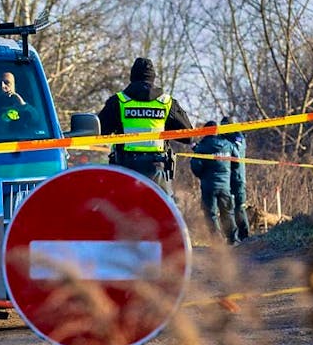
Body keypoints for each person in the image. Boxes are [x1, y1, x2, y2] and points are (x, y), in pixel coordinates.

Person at [98, 57, 194, 196]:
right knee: (164, 213)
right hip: (157, 169)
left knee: (117, 211)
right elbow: (188, 136)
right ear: (153, 78)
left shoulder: (119, 101)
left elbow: (100, 131)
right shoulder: (166, 102)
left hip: (125, 169)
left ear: (132, 77)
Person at [190, 121, 240, 245]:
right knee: (227, 212)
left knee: (211, 214)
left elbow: (196, 166)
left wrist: (202, 176)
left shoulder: (202, 147)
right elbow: (237, 161)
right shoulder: (228, 145)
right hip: (225, 186)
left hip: (208, 186)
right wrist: (228, 172)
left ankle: (217, 241)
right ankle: (233, 239)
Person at [221, 116, 250, 241]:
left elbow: (237, 152)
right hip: (226, 178)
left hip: (237, 177)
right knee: (227, 208)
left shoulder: (238, 137)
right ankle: (232, 237)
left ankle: (244, 236)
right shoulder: (224, 138)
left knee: (239, 207)